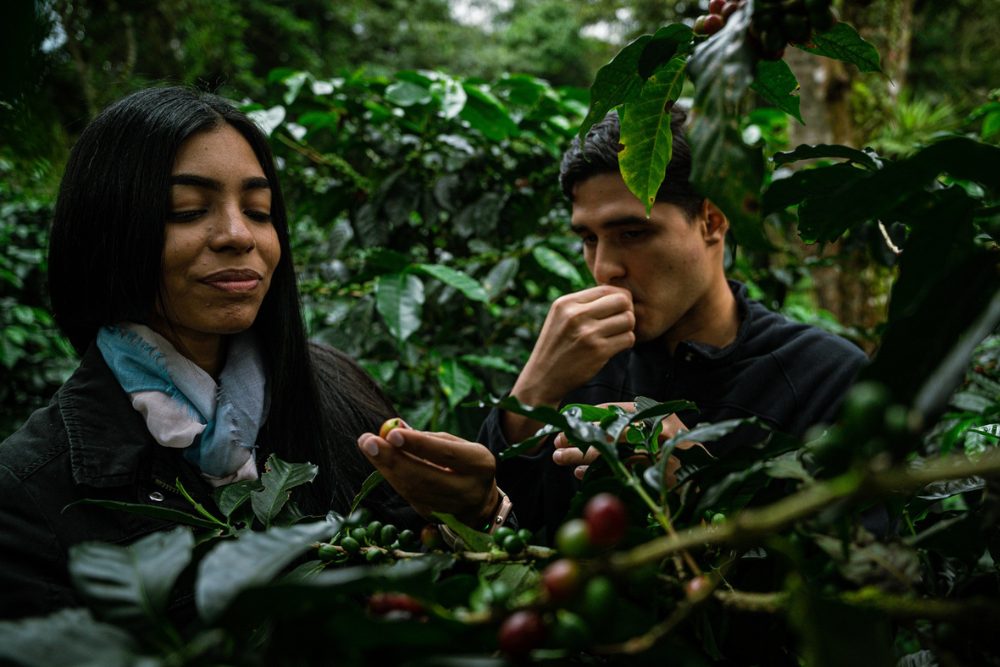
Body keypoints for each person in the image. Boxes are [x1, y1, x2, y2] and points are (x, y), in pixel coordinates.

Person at [0, 87, 500, 620]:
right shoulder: (27, 492)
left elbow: (441, 603)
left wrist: (479, 515)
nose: (240, 236)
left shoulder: (337, 385)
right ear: (105, 232)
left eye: (258, 211)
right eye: (187, 210)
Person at [479, 109, 869, 537]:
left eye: (632, 233)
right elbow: (508, 534)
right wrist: (532, 391)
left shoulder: (825, 376)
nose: (604, 268)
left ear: (712, 221)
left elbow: (851, 572)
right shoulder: (579, 363)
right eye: (589, 239)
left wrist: (693, 484)